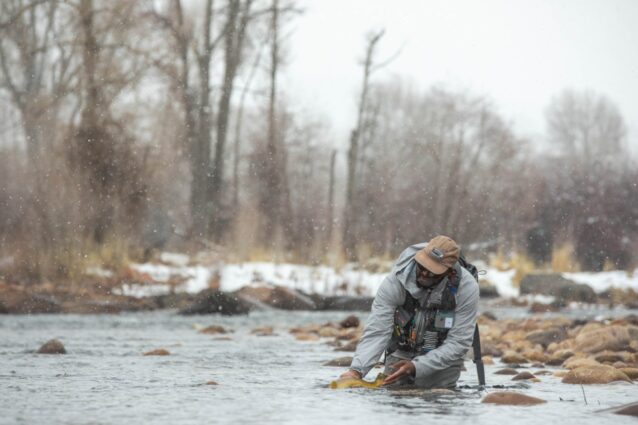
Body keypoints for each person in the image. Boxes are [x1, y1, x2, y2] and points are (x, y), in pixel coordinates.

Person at [340, 235, 479, 389]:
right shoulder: (395, 281)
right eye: (422, 266)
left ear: (449, 273)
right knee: (393, 396)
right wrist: (356, 371)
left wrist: (417, 367)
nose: (424, 274)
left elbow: (458, 343)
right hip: (401, 352)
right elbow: (377, 330)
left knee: (439, 398)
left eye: (432, 271)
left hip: (442, 360)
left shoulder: (466, 288)